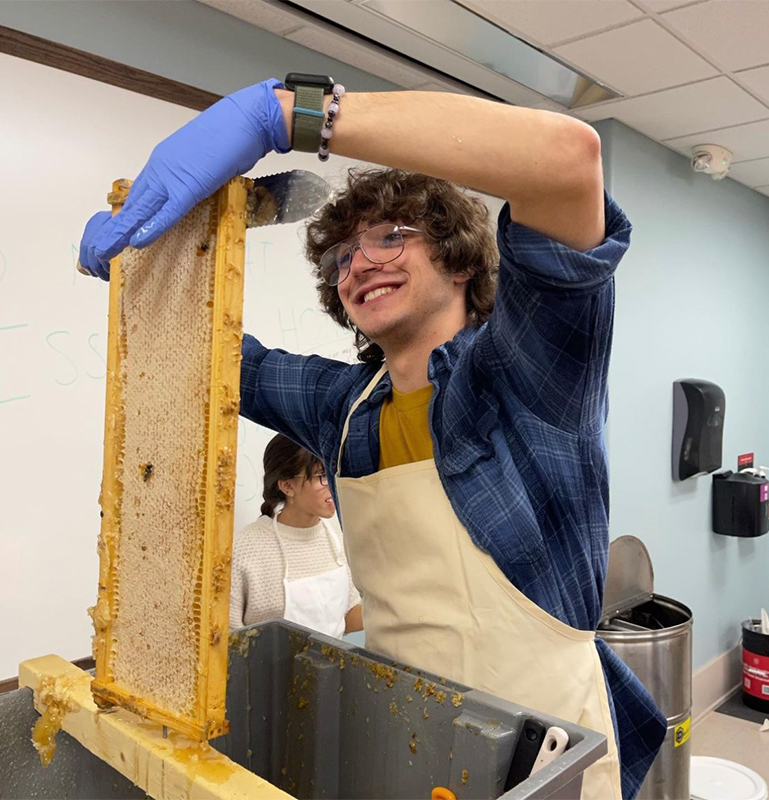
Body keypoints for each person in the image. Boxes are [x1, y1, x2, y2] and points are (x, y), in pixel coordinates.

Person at [78, 76, 666, 799]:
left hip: (547, 760)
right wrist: (145, 267)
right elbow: (219, 353)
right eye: (342, 258)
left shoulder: (530, 375)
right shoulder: (344, 407)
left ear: (455, 258)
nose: (360, 264)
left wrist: (289, 116)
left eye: (391, 237)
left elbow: (568, 159)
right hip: (407, 743)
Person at [229, 434, 362, 638]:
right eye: (321, 476)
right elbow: (227, 639)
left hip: (328, 668)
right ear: (287, 486)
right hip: (265, 670)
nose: (333, 486)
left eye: (333, 473)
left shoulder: (335, 535)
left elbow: (343, 619)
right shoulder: (245, 549)